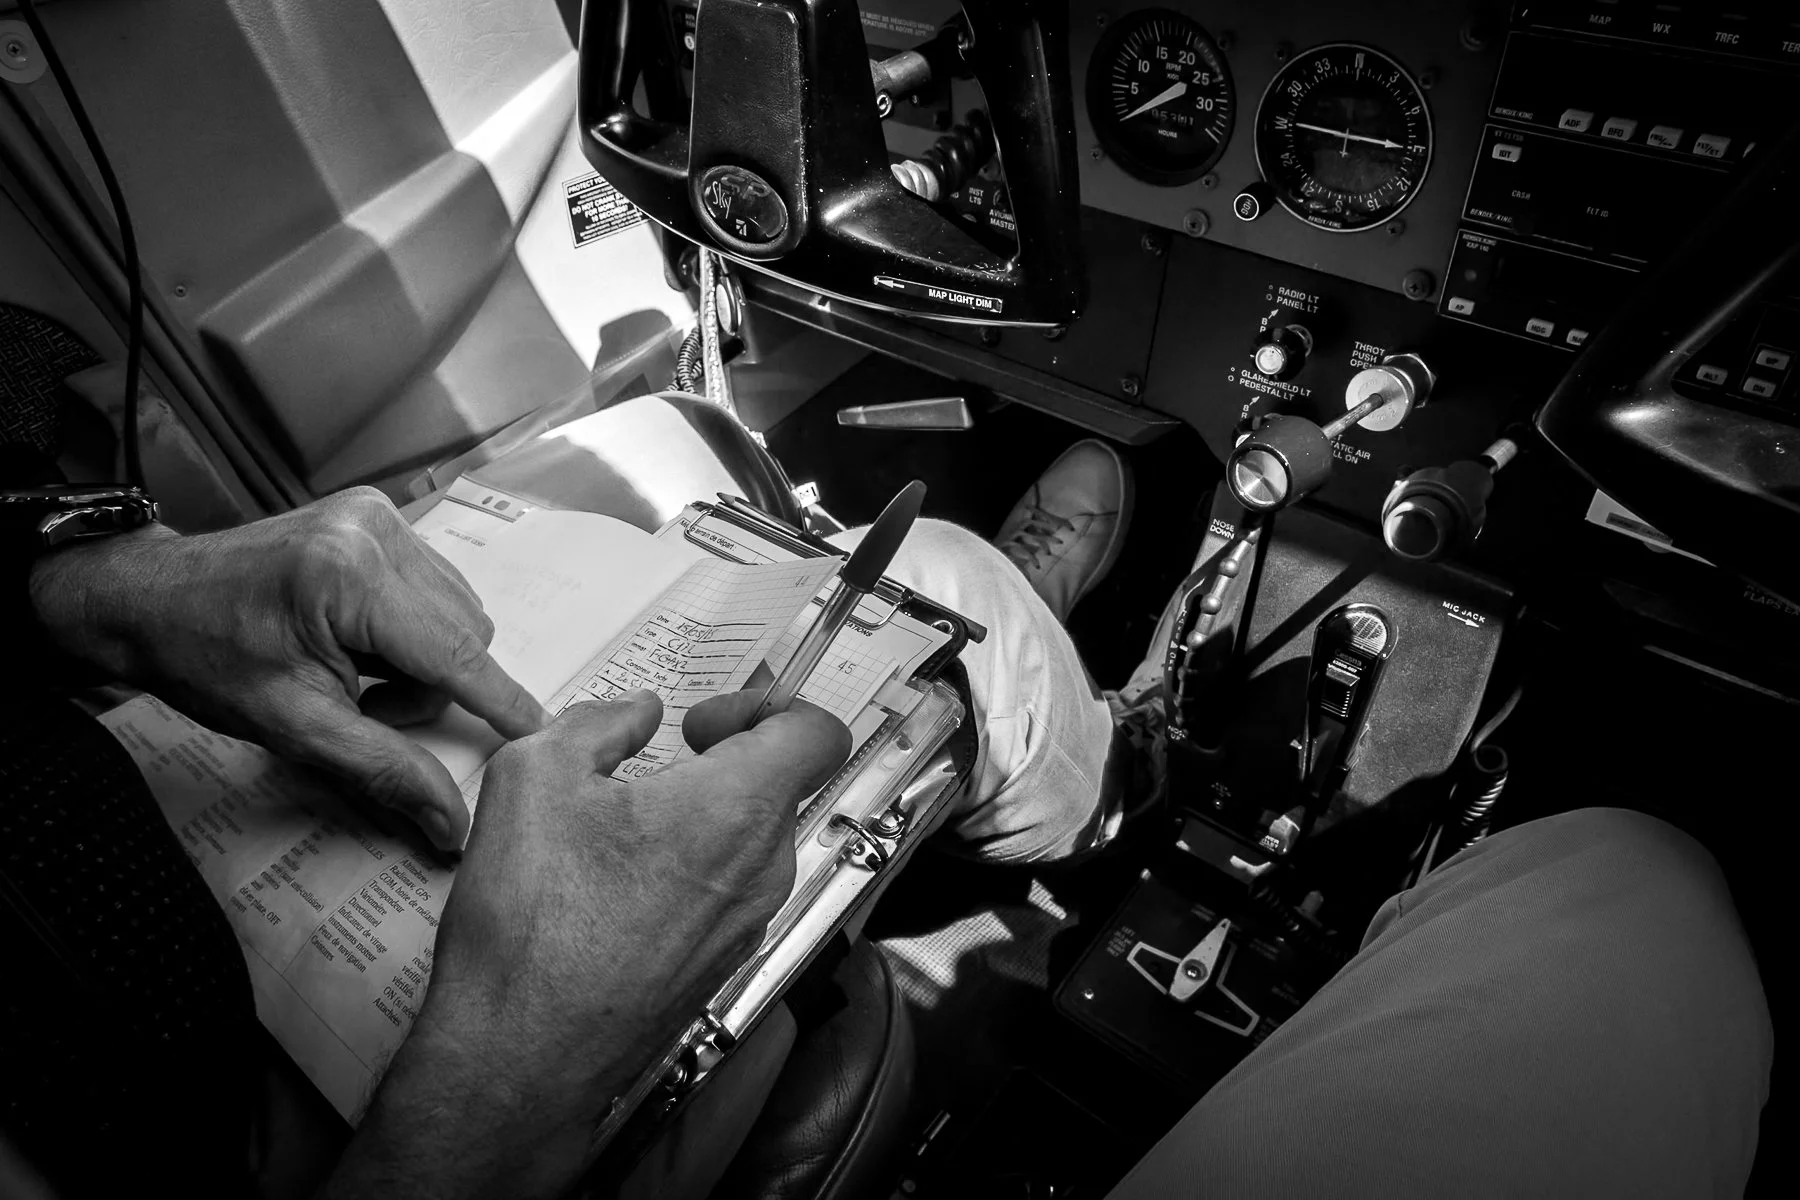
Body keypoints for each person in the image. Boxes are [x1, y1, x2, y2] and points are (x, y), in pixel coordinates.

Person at [0, 436, 1771, 1198]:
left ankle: (1036, 642)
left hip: (131, 820)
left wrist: (89, 586)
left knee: (848, 572)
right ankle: (1110, 774)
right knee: (1635, 899)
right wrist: (498, 1094)